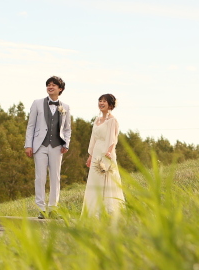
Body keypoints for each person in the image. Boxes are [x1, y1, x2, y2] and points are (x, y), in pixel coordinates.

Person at [24, 76, 72, 218]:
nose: (50, 87)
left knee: (55, 177)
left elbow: (67, 129)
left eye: (54, 85)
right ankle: (41, 208)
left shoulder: (66, 107)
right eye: (48, 85)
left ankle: (53, 208)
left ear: (60, 89)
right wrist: (28, 145)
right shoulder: (37, 103)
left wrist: (66, 144)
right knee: (40, 177)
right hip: (40, 145)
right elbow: (30, 125)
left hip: (57, 146)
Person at [82, 94, 125, 218]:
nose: (101, 103)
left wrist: (109, 152)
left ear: (110, 104)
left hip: (106, 153)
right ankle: (92, 211)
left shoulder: (113, 120)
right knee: (94, 180)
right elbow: (93, 138)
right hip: (96, 152)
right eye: (100, 101)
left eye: (104, 101)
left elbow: (113, 138)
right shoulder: (97, 120)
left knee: (106, 179)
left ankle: (107, 211)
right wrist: (90, 155)